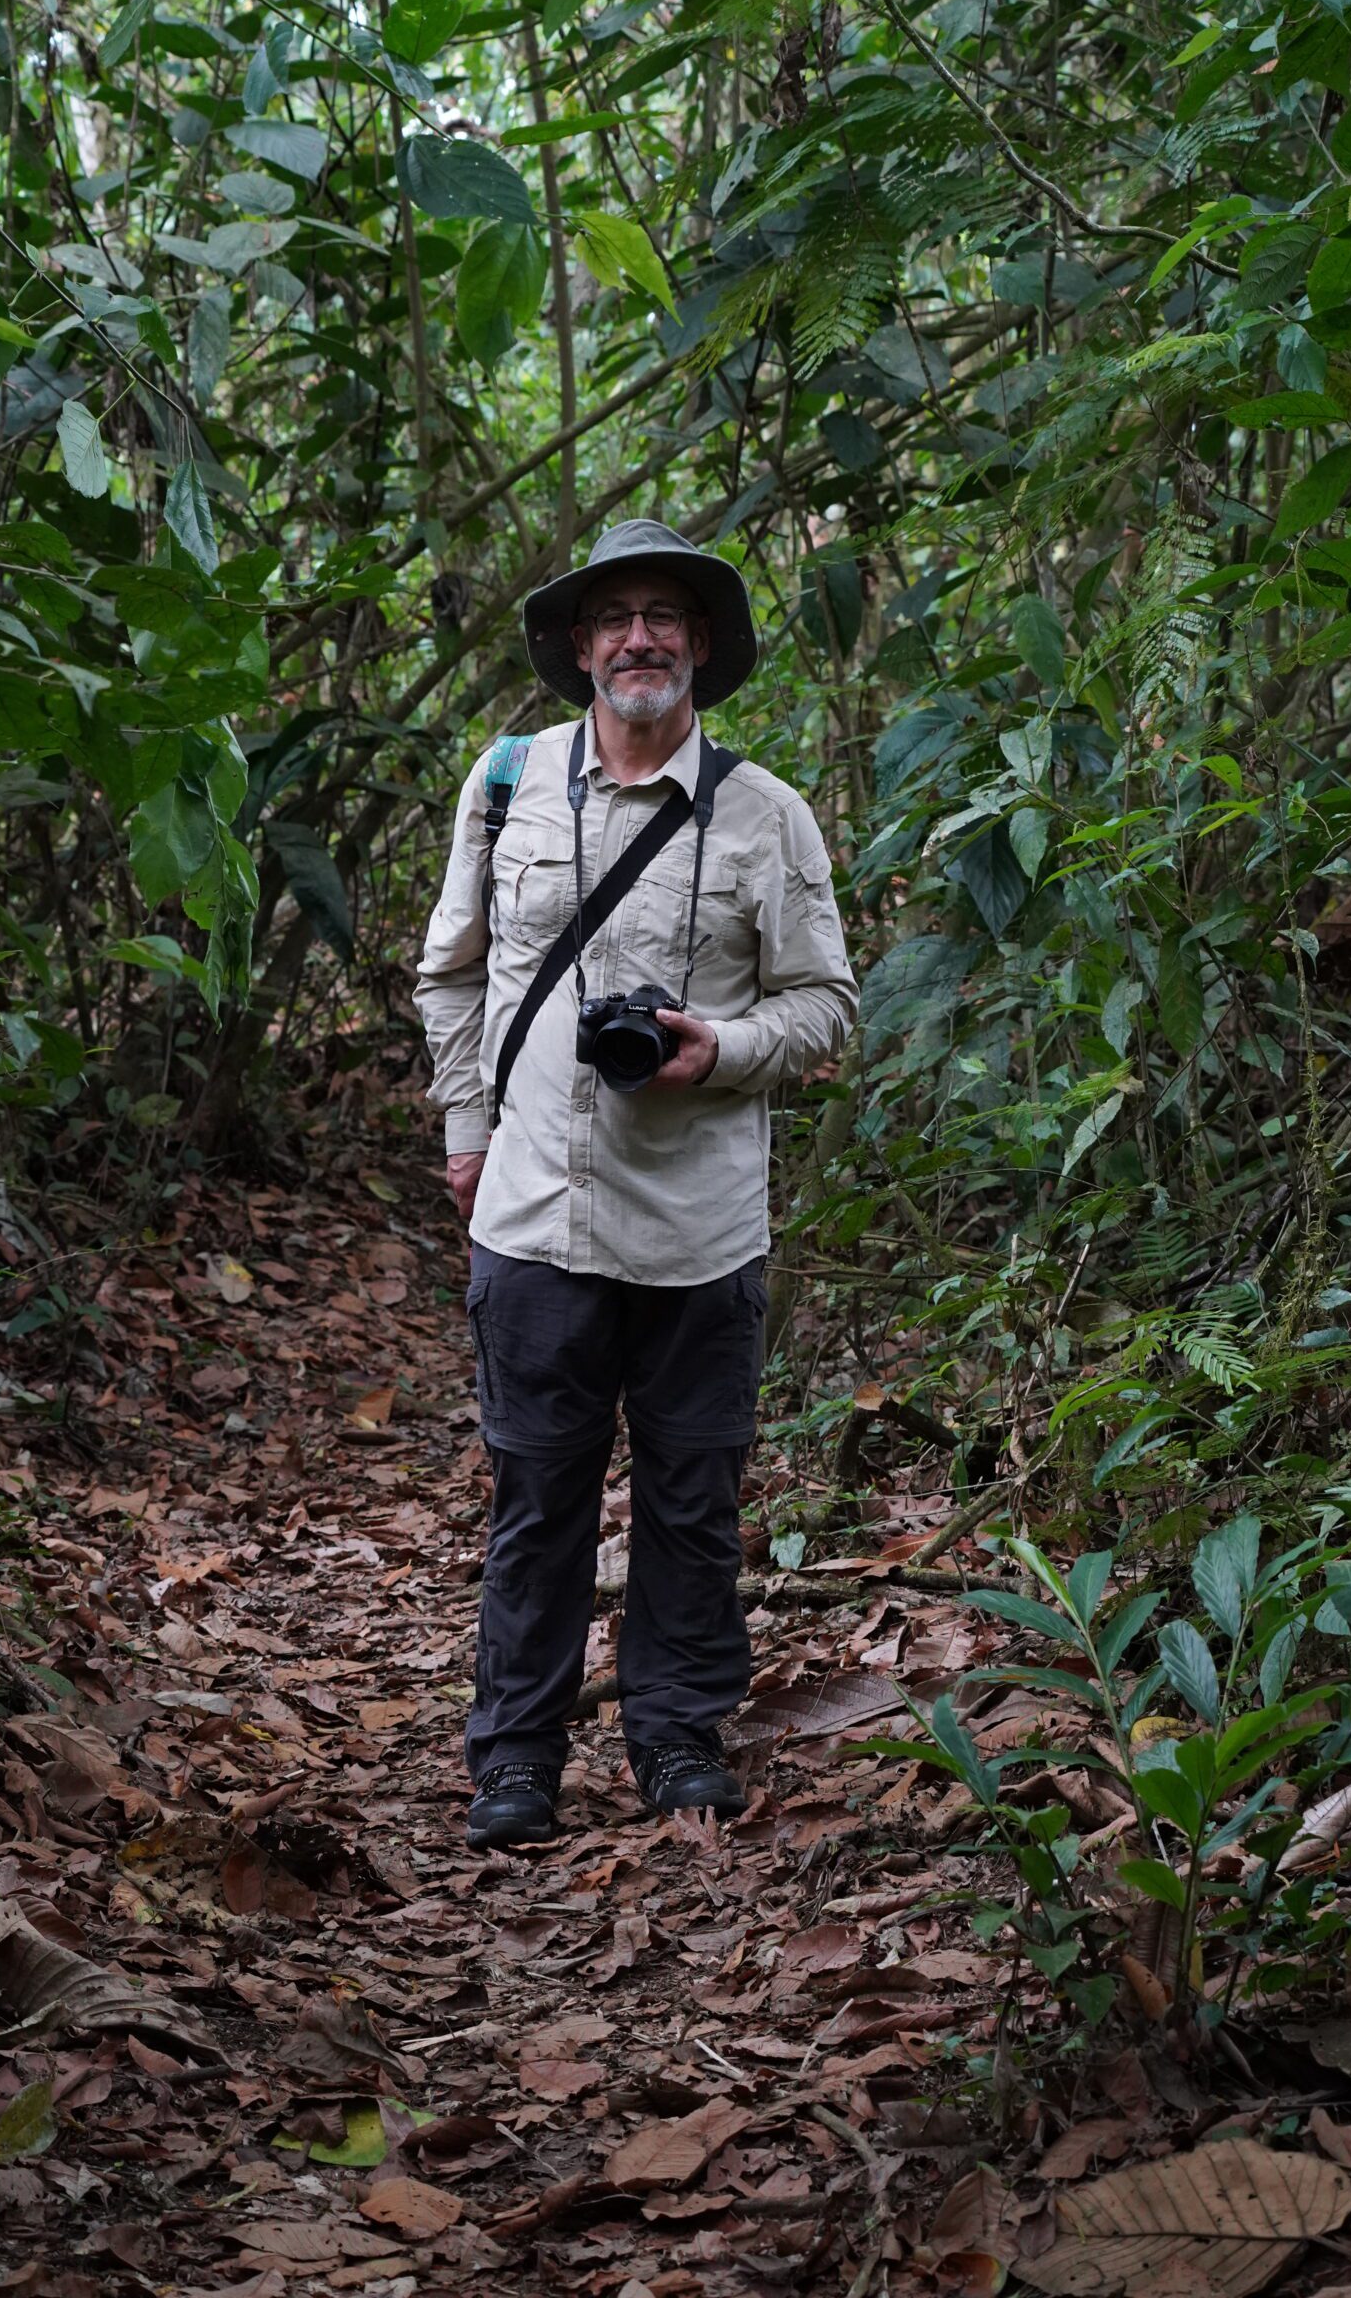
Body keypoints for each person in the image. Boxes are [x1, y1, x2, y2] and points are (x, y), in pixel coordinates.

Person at [416, 518, 857, 1851]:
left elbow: (827, 1005)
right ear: (579, 645)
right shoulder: (506, 785)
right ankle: (516, 1757)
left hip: (699, 1227)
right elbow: (451, 971)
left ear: (701, 645)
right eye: (615, 618)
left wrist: (721, 1049)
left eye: (664, 616)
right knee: (536, 1498)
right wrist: (465, 1132)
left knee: (690, 1500)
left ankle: (677, 1737)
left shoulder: (767, 815)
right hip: (534, 1212)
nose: (639, 639)